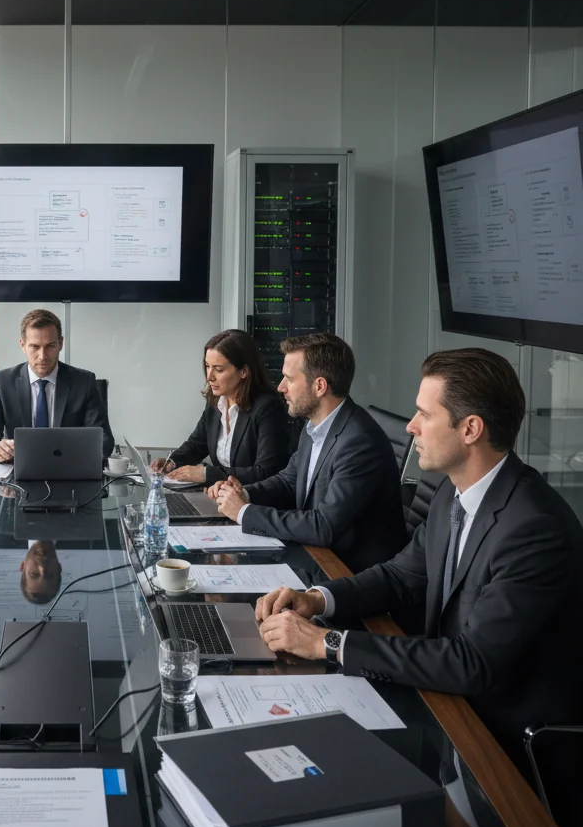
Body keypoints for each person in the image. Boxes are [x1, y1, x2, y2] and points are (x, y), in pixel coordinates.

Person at [255, 348, 583, 773]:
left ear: (470, 429)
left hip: (508, 744)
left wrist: (326, 643)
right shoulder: (454, 490)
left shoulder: (534, 529)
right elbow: (399, 576)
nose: (410, 428)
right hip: (445, 703)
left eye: (423, 415)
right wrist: (316, 600)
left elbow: (471, 663)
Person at [209, 333, 406, 572]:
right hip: (314, 557)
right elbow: (289, 481)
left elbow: (324, 526)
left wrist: (244, 512)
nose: (280, 387)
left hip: (348, 573)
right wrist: (243, 494)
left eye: (289, 379)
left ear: (320, 386)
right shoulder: (315, 425)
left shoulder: (359, 443)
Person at [150, 329, 289, 486]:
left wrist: (205, 474)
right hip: (220, 496)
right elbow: (197, 444)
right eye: (208, 366)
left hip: (253, 502)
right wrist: (172, 461)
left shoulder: (268, 408)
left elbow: (266, 471)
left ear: (244, 371)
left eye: (219, 369)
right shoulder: (216, 402)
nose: (209, 376)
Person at [0, 308, 114, 462]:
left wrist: (77, 457)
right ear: (22, 345)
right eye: (34, 347)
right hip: (18, 471)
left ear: (60, 344)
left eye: (50, 346)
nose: (42, 356)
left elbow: (104, 439)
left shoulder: (84, 382)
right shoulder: (2, 382)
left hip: (69, 469)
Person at [20, 540, 62, 604]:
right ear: (59, 568)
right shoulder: (80, 535)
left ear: (23, 566)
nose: (42, 567)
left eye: (34, 574)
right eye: (49, 575)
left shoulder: (5, 531)